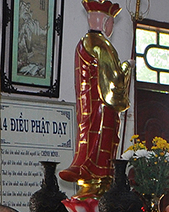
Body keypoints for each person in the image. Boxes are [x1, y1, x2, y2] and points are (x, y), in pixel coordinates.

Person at [58, 0, 132, 196]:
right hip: (101, 107)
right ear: (106, 22)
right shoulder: (101, 45)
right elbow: (114, 79)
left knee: (89, 137)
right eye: (112, 22)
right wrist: (127, 67)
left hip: (88, 105)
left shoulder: (83, 43)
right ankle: (97, 176)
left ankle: (91, 175)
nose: (112, 27)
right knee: (101, 141)